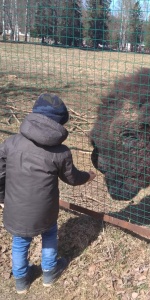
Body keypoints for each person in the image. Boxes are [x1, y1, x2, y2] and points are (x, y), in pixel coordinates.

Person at [0, 93, 96, 294]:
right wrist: (88, 176)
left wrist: (2, 197)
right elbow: (72, 178)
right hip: (46, 210)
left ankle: (21, 281)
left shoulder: (11, 143)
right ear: (60, 124)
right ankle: (50, 273)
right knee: (50, 234)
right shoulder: (60, 152)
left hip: (15, 209)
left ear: (34, 114)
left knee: (19, 242)